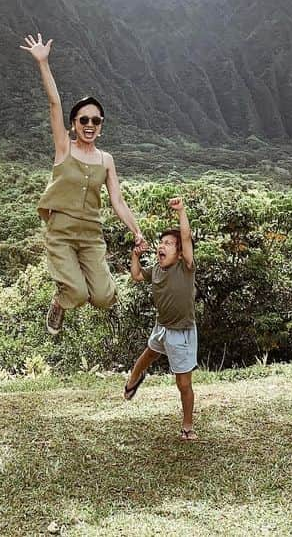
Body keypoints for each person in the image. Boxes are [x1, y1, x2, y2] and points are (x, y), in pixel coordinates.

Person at [20, 32, 146, 335]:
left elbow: (117, 201)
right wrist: (43, 63)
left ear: (101, 127)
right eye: (84, 120)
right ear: (74, 124)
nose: (90, 125)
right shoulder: (64, 147)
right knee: (76, 294)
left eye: (96, 121)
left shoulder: (106, 160)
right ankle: (60, 303)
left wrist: (137, 231)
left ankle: (93, 280)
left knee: (104, 298)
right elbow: (54, 103)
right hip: (61, 233)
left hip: (91, 235)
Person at [123, 197, 198, 441]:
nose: (162, 246)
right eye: (161, 243)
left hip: (182, 332)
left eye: (169, 244)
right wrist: (135, 255)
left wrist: (181, 211)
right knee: (148, 355)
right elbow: (135, 275)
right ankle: (134, 378)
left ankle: (187, 426)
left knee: (183, 384)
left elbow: (186, 237)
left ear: (179, 253)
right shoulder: (155, 269)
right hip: (162, 327)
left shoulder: (185, 267)